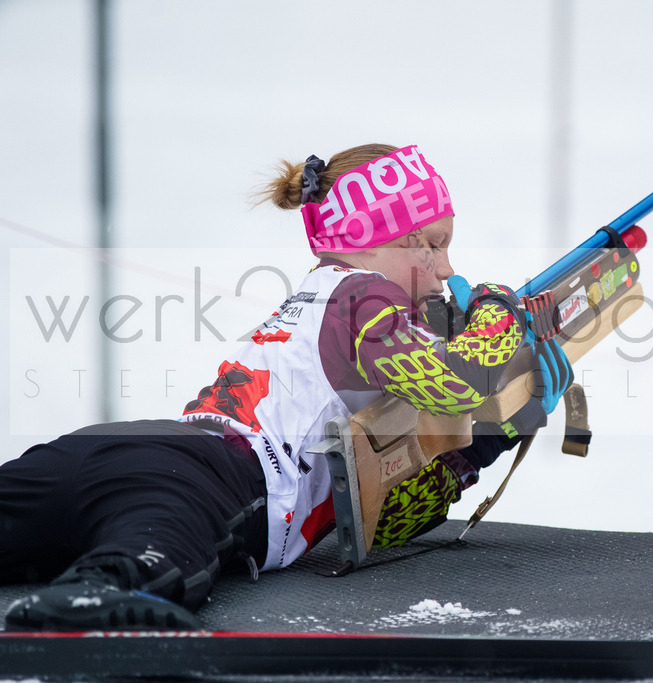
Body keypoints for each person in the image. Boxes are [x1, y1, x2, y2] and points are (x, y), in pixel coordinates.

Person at [0, 144, 573, 632]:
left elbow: (373, 518)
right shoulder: (364, 297)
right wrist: (498, 310)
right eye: (432, 243)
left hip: (117, 451)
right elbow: (457, 382)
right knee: (132, 585)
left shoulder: (336, 300)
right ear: (379, 239)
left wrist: (490, 437)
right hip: (211, 482)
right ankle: (88, 607)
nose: (447, 267)